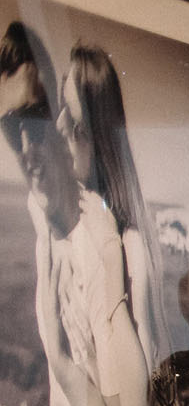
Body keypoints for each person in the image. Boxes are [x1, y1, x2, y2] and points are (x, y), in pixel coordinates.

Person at [0, 21, 149, 406]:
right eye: (11, 127)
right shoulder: (41, 214)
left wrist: (56, 353)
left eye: (36, 117)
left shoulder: (97, 242)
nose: (27, 143)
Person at [58, 42, 166, 386]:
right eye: (59, 108)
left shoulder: (125, 244)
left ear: (100, 139)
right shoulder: (68, 228)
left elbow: (134, 397)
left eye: (75, 123)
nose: (59, 126)